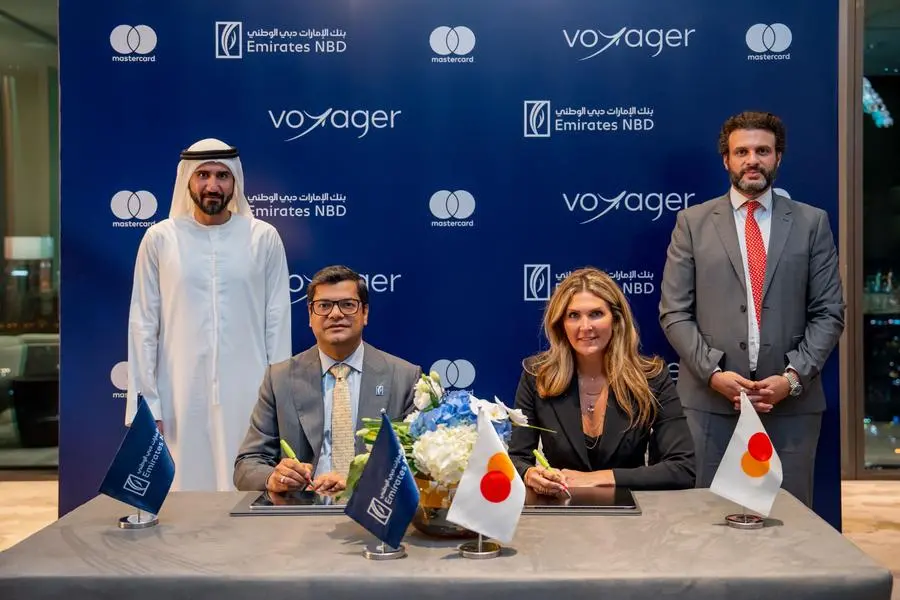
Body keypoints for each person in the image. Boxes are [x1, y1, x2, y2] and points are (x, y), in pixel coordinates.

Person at [659, 111, 845, 507]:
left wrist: (791, 379)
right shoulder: (692, 223)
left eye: (763, 151)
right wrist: (713, 374)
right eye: (741, 152)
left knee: (791, 525)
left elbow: (829, 312)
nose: (752, 160)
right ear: (726, 159)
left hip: (791, 406)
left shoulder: (812, 223)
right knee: (705, 522)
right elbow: (674, 311)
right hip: (709, 406)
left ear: (778, 157)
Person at [126, 138, 292, 492]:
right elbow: (143, 325)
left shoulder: (263, 238)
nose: (212, 185)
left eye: (222, 175)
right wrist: (147, 406)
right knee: (182, 494)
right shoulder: (160, 239)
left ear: (235, 182)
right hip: (177, 394)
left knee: (246, 490)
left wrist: (280, 405)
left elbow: (277, 325)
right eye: (203, 175)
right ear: (187, 179)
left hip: (250, 393)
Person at [233, 265, 421, 494]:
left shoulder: (404, 377)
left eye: (348, 305)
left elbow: (420, 466)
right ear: (310, 316)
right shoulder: (280, 379)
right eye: (324, 306)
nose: (335, 314)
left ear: (365, 313)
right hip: (301, 509)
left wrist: (357, 483)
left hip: (374, 508)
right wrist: (274, 478)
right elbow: (248, 464)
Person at [509, 268, 695, 496]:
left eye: (596, 314)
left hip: (631, 511)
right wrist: (529, 473)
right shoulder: (537, 376)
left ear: (616, 320)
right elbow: (516, 459)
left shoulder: (651, 377)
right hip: (559, 508)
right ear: (561, 324)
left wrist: (599, 478)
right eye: (573, 315)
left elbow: (683, 468)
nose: (585, 327)